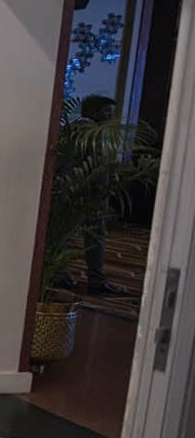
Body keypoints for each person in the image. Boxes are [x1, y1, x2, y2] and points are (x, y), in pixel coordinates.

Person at [79, 94, 127, 296]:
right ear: (94, 112)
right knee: (95, 236)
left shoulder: (82, 129)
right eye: (107, 112)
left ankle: (62, 276)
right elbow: (95, 166)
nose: (111, 117)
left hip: (82, 192)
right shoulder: (90, 132)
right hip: (91, 194)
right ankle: (96, 280)